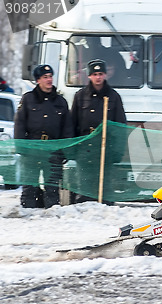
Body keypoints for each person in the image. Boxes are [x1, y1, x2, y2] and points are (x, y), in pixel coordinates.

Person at [14, 65, 74, 208]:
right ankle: (28, 213)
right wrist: (22, 148)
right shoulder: (28, 99)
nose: (49, 80)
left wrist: (65, 150)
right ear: (38, 80)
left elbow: (67, 129)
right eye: (45, 77)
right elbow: (20, 124)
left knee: (52, 187)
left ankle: (52, 216)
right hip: (32, 149)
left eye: (50, 76)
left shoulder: (60, 102)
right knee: (30, 186)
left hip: (53, 149)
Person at [70, 59, 127, 203]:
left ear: (105, 75)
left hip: (105, 150)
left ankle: (104, 217)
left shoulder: (113, 96)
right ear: (89, 76)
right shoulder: (80, 96)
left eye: (100, 73)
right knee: (84, 187)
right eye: (95, 74)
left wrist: (117, 152)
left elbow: (121, 127)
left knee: (105, 188)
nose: (98, 77)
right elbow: (72, 125)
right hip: (85, 149)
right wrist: (72, 151)